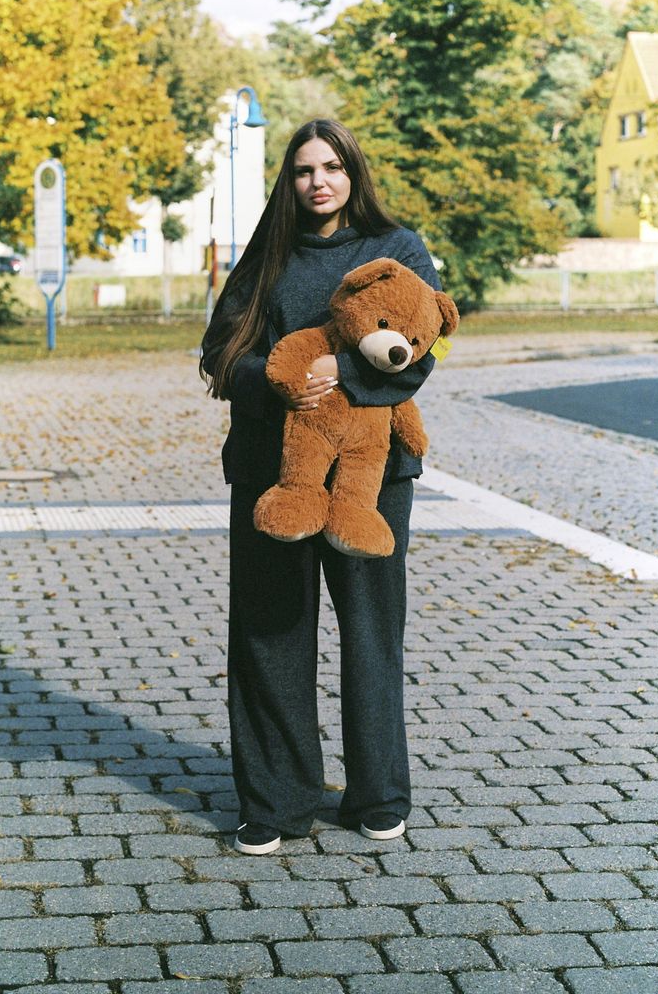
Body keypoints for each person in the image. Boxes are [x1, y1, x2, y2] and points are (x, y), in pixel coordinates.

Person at [200, 119, 443, 855]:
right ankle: (276, 802)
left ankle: (379, 793)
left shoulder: (395, 248)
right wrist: (284, 379)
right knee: (269, 633)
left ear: (352, 173)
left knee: (372, 637)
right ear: (290, 179)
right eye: (305, 169)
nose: (319, 181)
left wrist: (348, 372)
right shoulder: (268, 255)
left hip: (371, 480)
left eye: (331, 166)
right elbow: (220, 355)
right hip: (272, 475)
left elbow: (421, 352)